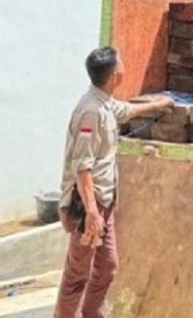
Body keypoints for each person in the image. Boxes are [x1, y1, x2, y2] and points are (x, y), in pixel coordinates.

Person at [55, 46, 172, 318]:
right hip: (87, 207)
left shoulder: (105, 103)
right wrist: (91, 213)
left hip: (104, 203)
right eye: (121, 65)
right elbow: (82, 167)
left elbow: (124, 110)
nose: (124, 67)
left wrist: (158, 105)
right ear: (114, 76)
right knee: (77, 274)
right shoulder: (90, 112)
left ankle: (91, 313)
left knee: (107, 266)